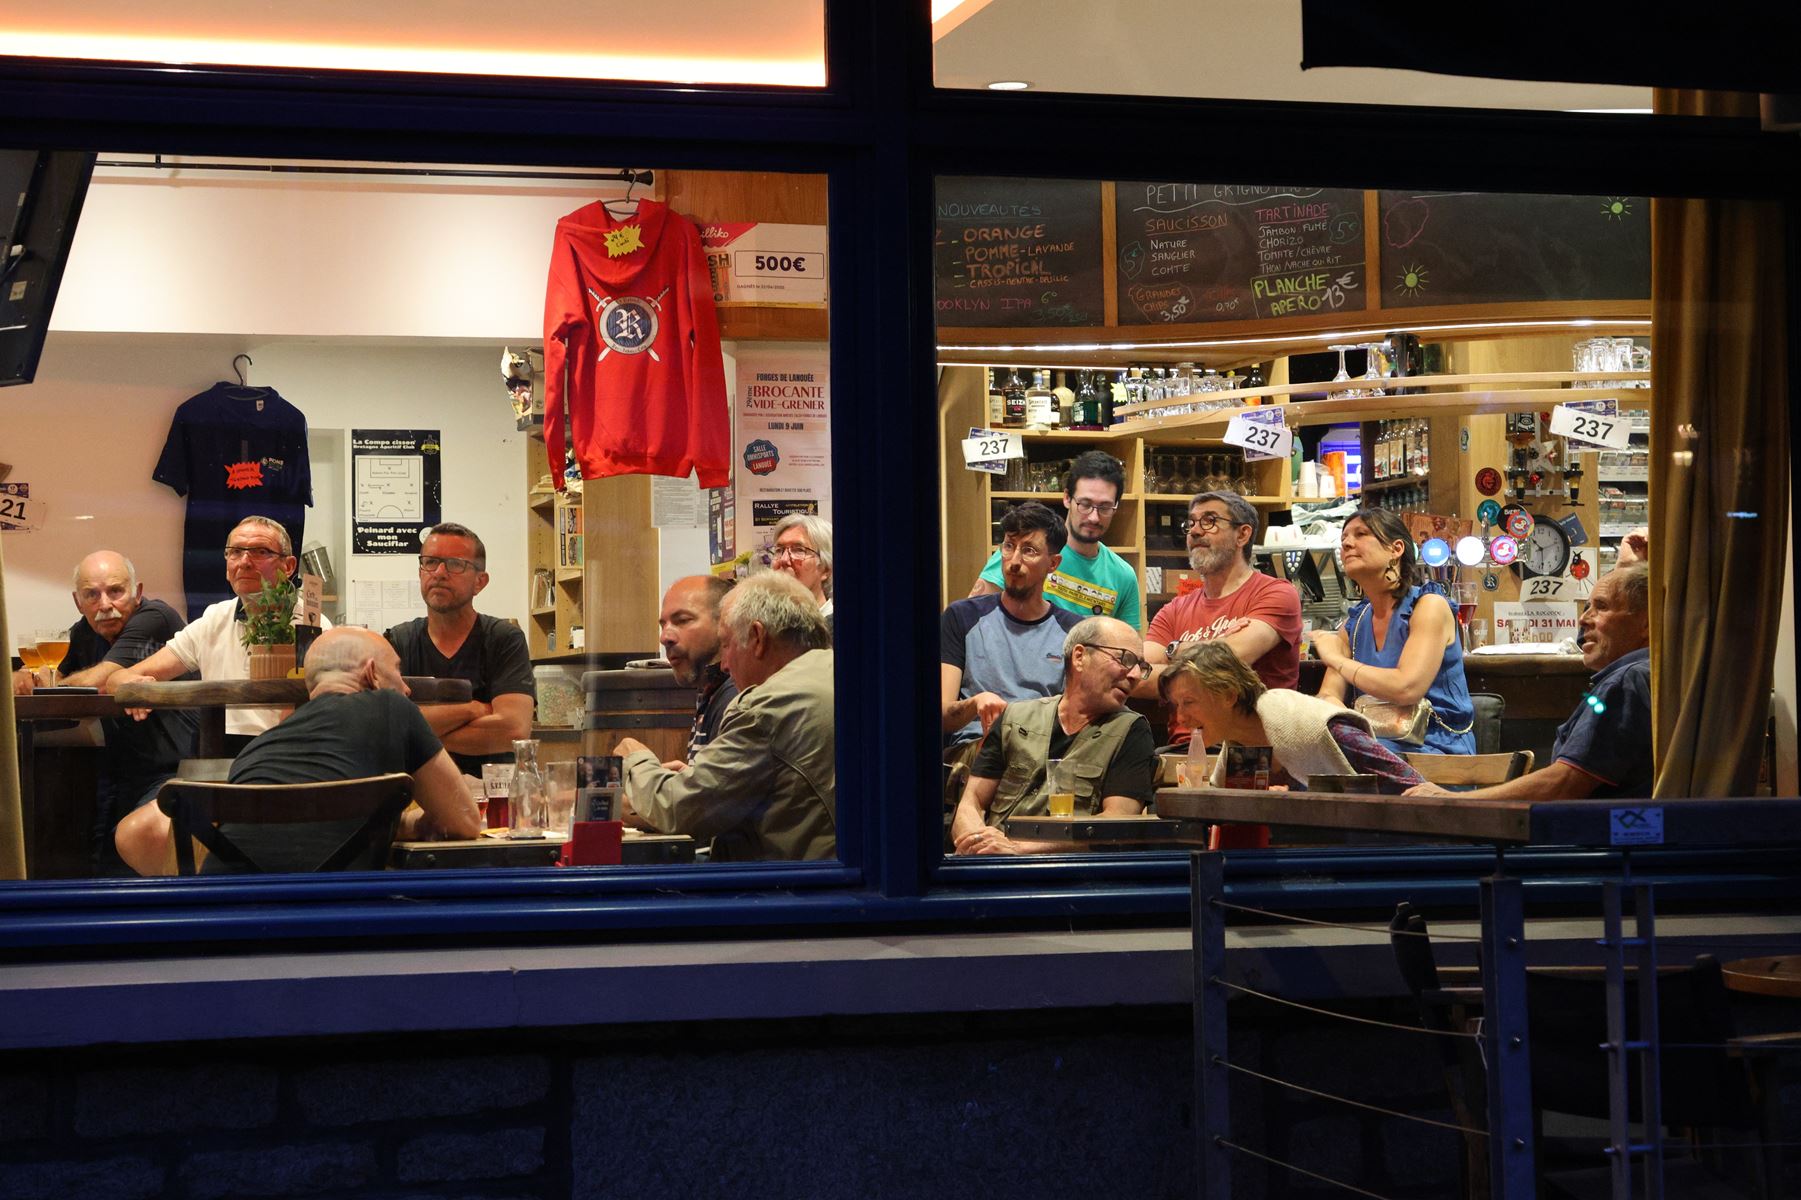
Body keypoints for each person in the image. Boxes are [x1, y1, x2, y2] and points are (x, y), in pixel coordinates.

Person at [113, 628, 482, 875]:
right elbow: (465, 822)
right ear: (371, 674)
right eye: (398, 672)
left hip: (226, 917)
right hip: (334, 919)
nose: (407, 688)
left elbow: (304, 827)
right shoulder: (393, 707)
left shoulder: (258, 748)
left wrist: (402, 822)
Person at [615, 572, 835, 861]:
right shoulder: (835, 671)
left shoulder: (764, 707)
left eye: (727, 645)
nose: (725, 665)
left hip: (794, 885)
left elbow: (679, 809)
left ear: (757, 637)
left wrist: (635, 759)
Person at [15, 551, 199, 874]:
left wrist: (48, 682)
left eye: (115, 591)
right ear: (78, 602)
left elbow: (101, 678)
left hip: (178, 772)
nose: (104, 605)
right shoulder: (84, 633)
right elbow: (48, 675)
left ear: (137, 592)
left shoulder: (155, 618)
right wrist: (24, 677)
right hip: (121, 775)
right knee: (103, 875)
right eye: (92, 595)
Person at [1408, 565, 1651, 800]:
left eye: (1601, 607)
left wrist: (1455, 801)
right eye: (1587, 607)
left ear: (1647, 623)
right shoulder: (1642, 674)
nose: (1583, 619)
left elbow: (1563, 785)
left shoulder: (1625, 682)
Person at [107, 515, 330, 749]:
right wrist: (131, 685)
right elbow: (118, 679)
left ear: (289, 566)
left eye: (260, 552)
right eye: (235, 552)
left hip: (288, 749)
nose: (244, 562)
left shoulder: (312, 625)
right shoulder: (213, 619)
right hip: (217, 748)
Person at [950, 616, 1157, 856]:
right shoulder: (1014, 718)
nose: (1135, 675)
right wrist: (978, 844)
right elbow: (972, 801)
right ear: (1079, 657)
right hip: (991, 864)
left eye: (1141, 666)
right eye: (1125, 659)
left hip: (1067, 872)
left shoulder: (1131, 731)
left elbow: (1117, 822)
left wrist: (1017, 849)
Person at [1140, 490, 1303, 745]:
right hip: (1183, 749)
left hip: (1251, 751)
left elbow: (1228, 660)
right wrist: (1215, 649)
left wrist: (1173, 650)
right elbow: (1136, 676)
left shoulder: (1276, 593)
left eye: (1210, 521)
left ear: (1242, 534)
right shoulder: (1174, 609)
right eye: (1191, 523)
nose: (1195, 531)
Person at [1311, 507, 1474, 757]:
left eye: (1361, 534)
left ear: (1396, 549)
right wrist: (1338, 715)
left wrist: (1336, 660)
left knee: (1343, 756)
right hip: (1377, 744)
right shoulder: (1356, 622)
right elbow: (1328, 694)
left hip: (1435, 748)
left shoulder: (1428, 606)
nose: (1347, 543)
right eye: (1344, 538)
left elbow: (1406, 688)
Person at [1160, 641, 1423, 793]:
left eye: (1188, 702)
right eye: (1176, 706)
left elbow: (1415, 787)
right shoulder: (1242, 746)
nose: (1180, 718)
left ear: (1229, 695)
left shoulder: (1317, 728)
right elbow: (1243, 823)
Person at [383, 522, 535, 776]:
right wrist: (473, 709)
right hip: (416, 791)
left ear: (480, 582)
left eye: (455, 564)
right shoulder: (399, 641)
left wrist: (418, 734)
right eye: (430, 562)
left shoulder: (504, 639)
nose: (439, 573)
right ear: (420, 572)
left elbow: (513, 731)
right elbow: (387, 728)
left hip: (492, 791)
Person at [941, 501, 1082, 746]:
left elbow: (1076, 716)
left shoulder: (1073, 631)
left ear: (1053, 563)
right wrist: (975, 703)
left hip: (1040, 750)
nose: (1014, 561)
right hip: (976, 747)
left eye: (1029, 551)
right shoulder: (963, 616)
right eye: (1009, 546)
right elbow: (941, 714)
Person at [970, 450, 1142, 630]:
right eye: (1085, 504)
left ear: (1116, 507)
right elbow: (974, 620)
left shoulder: (1124, 576)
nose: (1094, 517)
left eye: (1105, 507)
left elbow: (1128, 644)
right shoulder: (1022, 550)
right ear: (1067, 498)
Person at [656, 574, 738, 761]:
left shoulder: (736, 701)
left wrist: (640, 761)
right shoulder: (711, 691)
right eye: (663, 625)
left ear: (725, 623)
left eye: (682, 620)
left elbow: (718, 781)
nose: (665, 637)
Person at [766, 512, 834, 627]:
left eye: (798, 550)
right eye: (779, 550)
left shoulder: (840, 631)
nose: (784, 559)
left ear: (826, 569)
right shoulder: (767, 626)